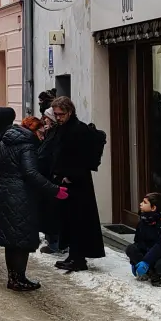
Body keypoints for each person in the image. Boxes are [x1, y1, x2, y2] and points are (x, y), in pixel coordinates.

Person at [0, 112, 69, 291]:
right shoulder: (27, 146)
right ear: (32, 131)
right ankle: (19, 279)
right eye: (41, 133)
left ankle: (14, 277)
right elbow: (31, 173)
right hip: (21, 196)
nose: (42, 136)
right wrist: (54, 190)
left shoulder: (5, 142)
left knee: (11, 239)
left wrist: (4, 178)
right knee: (22, 238)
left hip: (5, 194)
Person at [39, 96, 107, 272]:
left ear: (69, 112)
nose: (58, 117)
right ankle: (73, 256)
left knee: (78, 221)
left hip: (77, 184)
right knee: (69, 221)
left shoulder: (78, 129)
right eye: (56, 114)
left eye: (61, 114)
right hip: (67, 182)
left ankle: (78, 258)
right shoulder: (64, 128)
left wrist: (70, 175)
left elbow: (82, 157)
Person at [127, 192, 161, 287]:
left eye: (144, 202)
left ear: (153, 208)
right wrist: (134, 261)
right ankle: (153, 275)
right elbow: (138, 241)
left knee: (160, 266)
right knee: (130, 249)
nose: (140, 204)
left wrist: (146, 261)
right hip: (145, 253)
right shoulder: (143, 220)